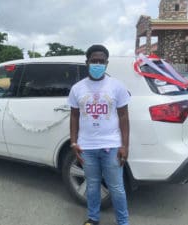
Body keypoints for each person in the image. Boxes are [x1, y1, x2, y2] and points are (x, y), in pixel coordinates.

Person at [68, 44, 130, 225]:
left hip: (111, 145)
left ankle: (123, 222)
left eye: (101, 61)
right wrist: (73, 142)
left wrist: (125, 146)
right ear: (87, 62)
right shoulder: (77, 88)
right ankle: (93, 218)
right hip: (86, 146)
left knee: (117, 188)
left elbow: (124, 116)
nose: (97, 64)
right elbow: (74, 116)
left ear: (106, 63)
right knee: (92, 185)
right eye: (93, 61)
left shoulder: (117, 86)